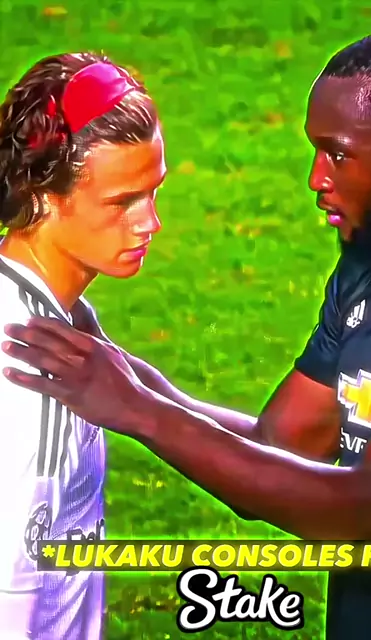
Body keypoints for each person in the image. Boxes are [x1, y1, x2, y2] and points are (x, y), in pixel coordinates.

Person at [3, 27, 371, 640]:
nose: (315, 178)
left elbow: (357, 507)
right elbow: (283, 443)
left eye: (337, 154)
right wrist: (124, 375)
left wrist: (140, 411)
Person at [0, 53, 163, 639]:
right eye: (122, 202)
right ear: (43, 195)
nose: (150, 223)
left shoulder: (54, 328)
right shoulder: (31, 372)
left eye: (154, 192)